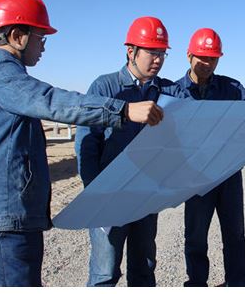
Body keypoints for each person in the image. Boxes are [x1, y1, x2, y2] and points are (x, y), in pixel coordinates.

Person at [0, 0, 163, 287]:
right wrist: (124, 110)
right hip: (2, 220)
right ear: (17, 36)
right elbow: (52, 101)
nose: (43, 46)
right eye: (40, 37)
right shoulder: (0, 74)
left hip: (8, 217)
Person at [75, 16, 182, 287]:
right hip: (110, 195)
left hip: (147, 193)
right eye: (152, 52)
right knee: (105, 272)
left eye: (162, 53)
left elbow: (197, 108)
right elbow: (87, 144)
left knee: (144, 268)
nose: (158, 59)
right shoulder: (105, 87)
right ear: (131, 51)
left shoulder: (166, 91)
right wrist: (94, 192)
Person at [176, 28, 245, 287]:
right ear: (189, 56)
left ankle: (237, 284)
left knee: (235, 236)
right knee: (195, 238)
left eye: (213, 59)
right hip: (195, 179)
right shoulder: (175, 92)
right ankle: (197, 284)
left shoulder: (230, 88)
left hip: (228, 175)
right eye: (202, 58)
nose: (207, 63)